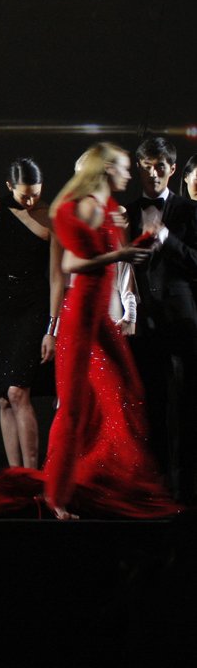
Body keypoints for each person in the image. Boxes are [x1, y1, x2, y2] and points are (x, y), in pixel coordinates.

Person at [0, 143, 177, 519]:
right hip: (80, 319)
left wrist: (147, 238)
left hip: (99, 319)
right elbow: (73, 262)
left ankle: (99, 480)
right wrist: (121, 253)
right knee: (72, 408)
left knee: (123, 396)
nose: (129, 174)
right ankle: (55, 496)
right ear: (105, 169)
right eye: (123, 167)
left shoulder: (107, 208)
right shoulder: (82, 207)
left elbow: (120, 259)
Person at [124, 137, 197, 506]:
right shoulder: (126, 212)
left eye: (160, 166)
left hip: (181, 322)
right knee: (148, 403)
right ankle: (155, 487)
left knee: (184, 405)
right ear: (138, 168)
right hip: (140, 322)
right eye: (147, 166)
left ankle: (185, 489)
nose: (153, 173)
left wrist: (167, 239)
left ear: (172, 168)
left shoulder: (189, 210)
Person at [0, 158, 61, 471]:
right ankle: (15, 475)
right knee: (4, 397)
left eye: (36, 193)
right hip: (1, 309)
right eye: (25, 195)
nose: (30, 200)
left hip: (33, 309)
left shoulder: (49, 216)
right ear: (9, 186)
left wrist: (52, 328)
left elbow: (57, 277)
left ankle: (32, 475)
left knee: (18, 391)